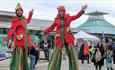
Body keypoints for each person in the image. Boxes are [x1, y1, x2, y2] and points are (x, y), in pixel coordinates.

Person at [41, 5, 87, 70]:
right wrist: (44, 32)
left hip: (68, 39)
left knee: (72, 55)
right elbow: (51, 27)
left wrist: (81, 11)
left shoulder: (68, 17)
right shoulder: (56, 20)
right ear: (58, 12)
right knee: (55, 56)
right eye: (60, 11)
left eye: (62, 11)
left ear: (64, 11)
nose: (61, 13)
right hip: (59, 40)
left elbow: (76, 16)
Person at [2, 3, 34, 70]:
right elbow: (12, 29)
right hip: (18, 42)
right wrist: (7, 38)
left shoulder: (24, 19)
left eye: (20, 10)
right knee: (17, 59)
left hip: (24, 42)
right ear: (16, 12)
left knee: (24, 59)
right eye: (18, 10)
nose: (19, 11)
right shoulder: (15, 20)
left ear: (22, 11)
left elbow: (28, 21)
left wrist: (30, 13)